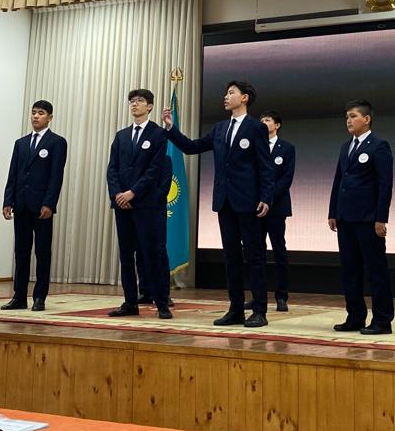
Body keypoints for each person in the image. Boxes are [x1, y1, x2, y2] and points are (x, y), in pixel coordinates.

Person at [162, 80, 274, 327]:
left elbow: (265, 166)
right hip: (224, 201)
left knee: (254, 256)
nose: (225, 96)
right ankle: (235, 309)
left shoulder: (256, 128)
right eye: (226, 93)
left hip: (249, 202)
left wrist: (266, 197)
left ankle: (259, 310)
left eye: (231, 93)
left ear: (244, 98)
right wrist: (171, 128)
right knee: (231, 257)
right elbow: (192, 147)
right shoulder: (220, 128)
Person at [328, 99, 394, 335]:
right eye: (347, 116)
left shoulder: (379, 146)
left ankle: (382, 320)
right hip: (345, 218)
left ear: (367, 119)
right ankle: (355, 316)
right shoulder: (345, 146)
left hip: (368, 219)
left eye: (353, 116)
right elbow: (339, 180)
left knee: (376, 270)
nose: (348, 120)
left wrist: (381, 218)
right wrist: (333, 212)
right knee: (350, 270)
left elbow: (385, 184)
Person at [107, 89, 172, 319]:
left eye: (140, 101)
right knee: (126, 256)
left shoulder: (158, 134)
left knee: (151, 254)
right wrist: (118, 194)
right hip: (122, 205)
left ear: (150, 106)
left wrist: (132, 193)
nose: (134, 104)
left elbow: (154, 170)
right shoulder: (121, 136)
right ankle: (130, 303)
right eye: (132, 101)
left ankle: (161, 303)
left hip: (146, 205)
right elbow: (112, 169)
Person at [1, 100, 67, 312]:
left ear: (50, 117)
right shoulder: (20, 143)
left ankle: (40, 297)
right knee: (21, 252)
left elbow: (56, 176)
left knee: (42, 252)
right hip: (21, 204)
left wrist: (49, 203)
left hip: (41, 207)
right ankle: (19, 296)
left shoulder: (57, 142)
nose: (36, 116)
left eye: (41, 113)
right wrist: (8, 200)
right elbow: (13, 173)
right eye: (34, 113)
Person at [244, 111, 295, 312]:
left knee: (279, 251)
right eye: (261, 120)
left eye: (268, 120)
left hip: (276, 207)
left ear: (277, 125)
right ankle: (258, 296)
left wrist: (268, 197)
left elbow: (286, 178)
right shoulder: (254, 146)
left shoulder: (287, 148)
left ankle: (281, 296)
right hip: (255, 206)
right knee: (256, 252)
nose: (264, 123)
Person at [135, 156, 174, 307]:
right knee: (140, 250)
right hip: (137, 209)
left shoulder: (165, 160)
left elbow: (164, 188)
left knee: (159, 251)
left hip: (156, 210)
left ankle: (164, 293)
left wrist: (147, 201)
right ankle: (145, 292)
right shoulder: (138, 158)